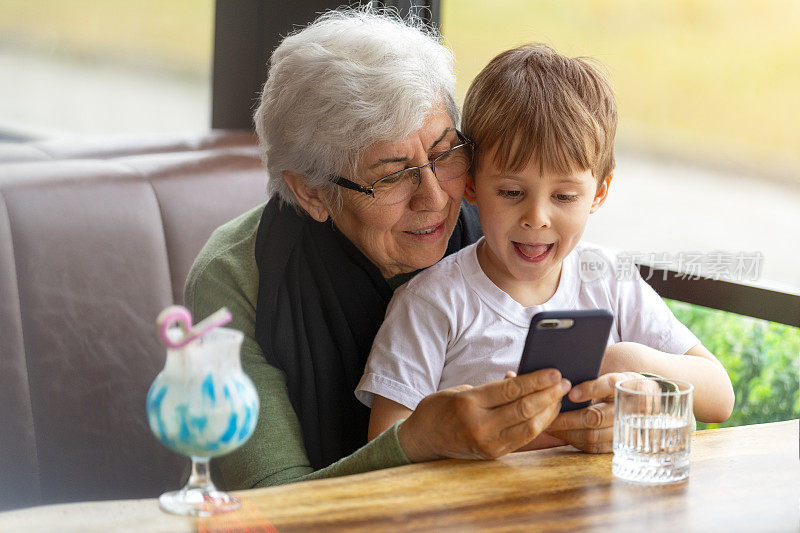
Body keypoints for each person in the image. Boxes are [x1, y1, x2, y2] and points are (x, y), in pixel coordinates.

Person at [185, 10, 579, 490]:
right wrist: (412, 443)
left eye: (445, 151)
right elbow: (274, 500)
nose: (434, 198)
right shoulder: (234, 279)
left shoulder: (505, 233)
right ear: (311, 192)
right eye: (392, 174)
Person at [357, 44, 735, 450]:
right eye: (511, 191)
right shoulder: (432, 303)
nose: (536, 218)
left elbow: (719, 397)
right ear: (470, 184)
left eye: (565, 197)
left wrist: (631, 367)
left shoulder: (608, 279)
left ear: (599, 193)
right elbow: (383, 445)